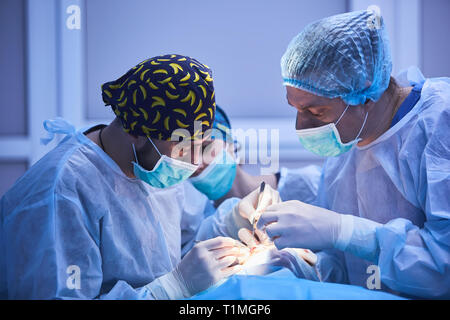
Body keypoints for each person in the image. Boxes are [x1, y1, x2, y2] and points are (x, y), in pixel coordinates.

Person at [0, 54, 248, 299]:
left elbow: (173, 256)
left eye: (201, 145)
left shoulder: (152, 169)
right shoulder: (61, 194)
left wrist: (230, 225)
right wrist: (172, 289)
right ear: (137, 133)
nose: (194, 162)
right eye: (182, 147)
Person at [252, 10, 449, 299]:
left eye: (315, 111)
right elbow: (357, 271)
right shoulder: (346, 148)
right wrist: (304, 265)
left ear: (366, 96)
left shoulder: (439, 125)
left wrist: (344, 230)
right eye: (295, 108)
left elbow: (442, 269)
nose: (300, 126)